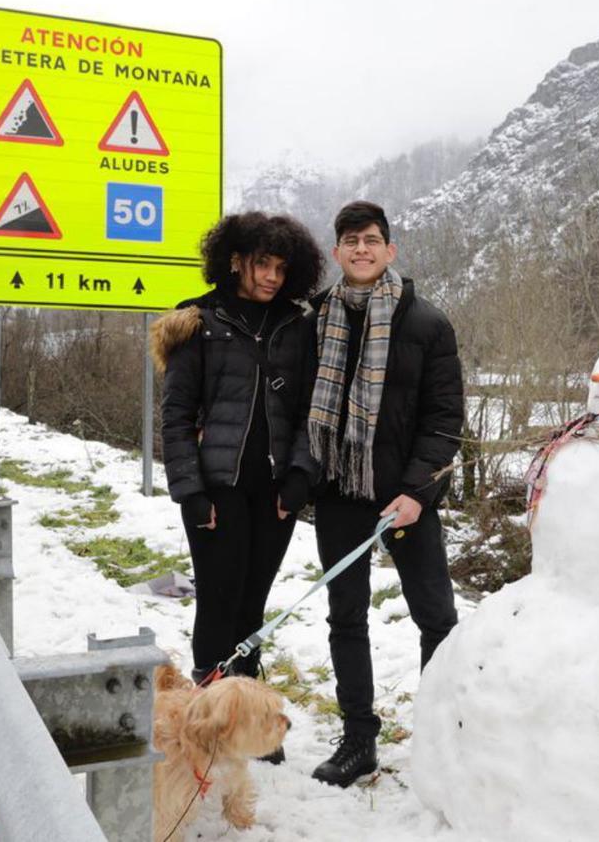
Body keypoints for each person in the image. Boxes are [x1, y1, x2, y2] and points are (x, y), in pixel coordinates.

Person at [306, 200, 463, 787]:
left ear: (390, 249)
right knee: (345, 617)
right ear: (337, 252)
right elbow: (299, 407)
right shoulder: (315, 317)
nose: (362, 249)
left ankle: (443, 736)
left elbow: (445, 418)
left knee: (436, 617)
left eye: (372, 240)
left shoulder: (427, 323)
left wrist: (418, 491)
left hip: (407, 497)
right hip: (340, 492)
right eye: (351, 240)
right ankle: (358, 740)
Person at [152, 212, 325, 707]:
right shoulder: (199, 321)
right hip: (217, 491)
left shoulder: (298, 326)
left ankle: (245, 714)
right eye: (262, 264)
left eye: (281, 267)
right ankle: (208, 714)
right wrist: (189, 491)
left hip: (274, 494)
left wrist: (299, 476)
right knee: (218, 604)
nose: (272, 276)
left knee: (253, 608)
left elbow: (311, 411)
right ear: (235, 260)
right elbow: (177, 416)